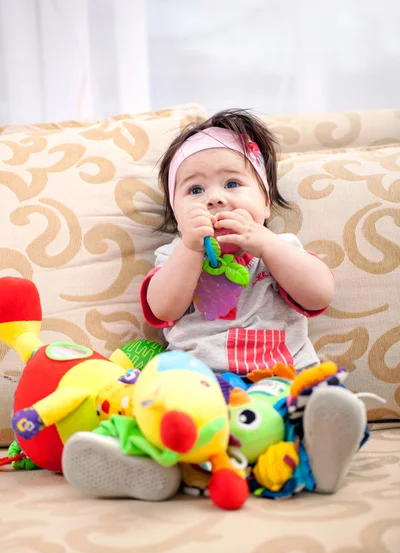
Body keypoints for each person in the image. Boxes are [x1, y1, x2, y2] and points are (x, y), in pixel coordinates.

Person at [63, 110, 367, 501]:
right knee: (158, 406)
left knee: (305, 406)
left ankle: (318, 455)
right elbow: (164, 308)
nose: (215, 198)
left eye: (233, 183)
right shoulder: (174, 255)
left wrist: (266, 245)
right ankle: (147, 464)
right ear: (176, 214)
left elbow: (319, 294)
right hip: (201, 386)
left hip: (276, 381)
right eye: (194, 191)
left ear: (266, 204)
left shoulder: (280, 250)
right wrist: (190, 250)